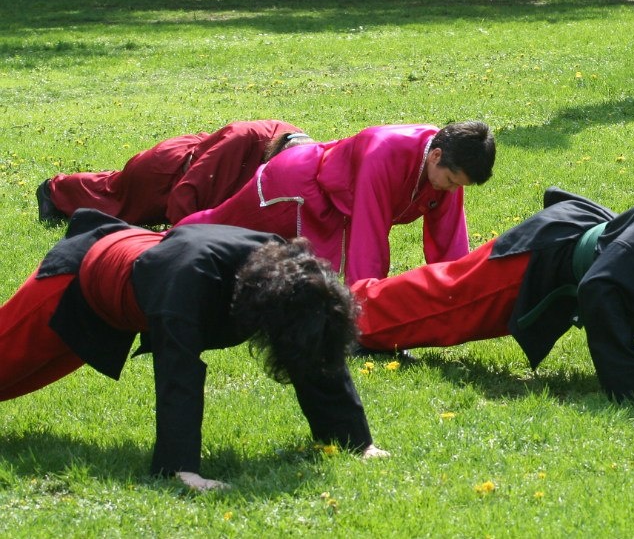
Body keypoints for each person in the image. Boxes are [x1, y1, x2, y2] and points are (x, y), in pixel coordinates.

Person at [0, 209, 386, 491]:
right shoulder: (187, 285)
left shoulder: (294, 273)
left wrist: (355, 440)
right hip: (74, 283)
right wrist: (180, 468)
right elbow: (177, 370)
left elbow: (315, 343)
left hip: (140, 272)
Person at [352, 188, 634, 404]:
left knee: (451, 300)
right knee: (452, 302)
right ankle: (353, 316)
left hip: (598, 249)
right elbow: (600, 289)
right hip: (548, 256)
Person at [176, 121, 495, 284]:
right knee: (223, 227)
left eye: (459, 185)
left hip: (333, 207)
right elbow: (368, 236)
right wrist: (367, 311)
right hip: (292, 186)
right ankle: (169, 242)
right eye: (452, 182)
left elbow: (450, 241)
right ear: (435, 156)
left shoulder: (446, 165)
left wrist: (458, 289)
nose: (452, 191)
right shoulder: (383, 151)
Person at [37, 120, 310, 226]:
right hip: (165, 173)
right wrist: (182, 235)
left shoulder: (302, 149)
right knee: (115, 202)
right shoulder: (245, 137)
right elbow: (189, 187)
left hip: (186, 170)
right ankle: (53, 189)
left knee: (111, 191)